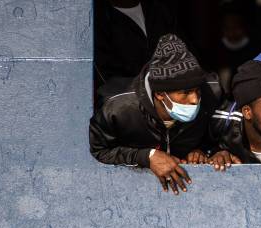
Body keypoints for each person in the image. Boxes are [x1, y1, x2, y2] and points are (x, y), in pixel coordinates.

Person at [89, 34, 223, 195]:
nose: (195, 99)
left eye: (197, 90)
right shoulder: (118, 109)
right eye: (185, 93)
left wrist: (204, 151)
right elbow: (98, 152)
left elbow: (224, 137)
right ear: (160, 94)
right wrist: (146, 157)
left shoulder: (212, 94)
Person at [93, 0, 180, 94]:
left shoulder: (159, 8)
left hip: (172, 93)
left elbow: (183, 52)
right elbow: (106, 74)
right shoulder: (97, 20)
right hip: (127, 100)